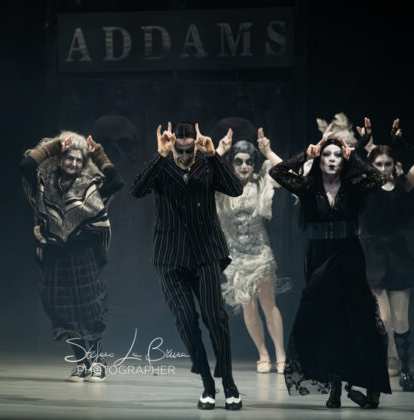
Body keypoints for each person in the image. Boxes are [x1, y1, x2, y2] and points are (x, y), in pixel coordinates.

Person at [269, 122, 391, 409]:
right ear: (320, 160)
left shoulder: (353, 186)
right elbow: (277, 172)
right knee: (327, 321)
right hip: (318, 254)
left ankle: (370, 386)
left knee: (359, 318)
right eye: (327, 154)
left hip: (348, 253)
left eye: (337, 155)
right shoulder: (308, 186)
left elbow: (380, 178)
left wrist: (354, 157)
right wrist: (306, 154)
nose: (332, 159)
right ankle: (334, 386)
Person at [131, 122, 244, 411]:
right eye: (179, 151)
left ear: (196, 145)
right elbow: (137, 190)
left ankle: (229, 383)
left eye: (189, 150)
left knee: (215, 318)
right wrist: (160, 154)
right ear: (172, 148)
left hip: (205, 253)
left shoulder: (206, 165)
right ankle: (207, 384)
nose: (184, 156)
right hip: (170, 256)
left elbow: (236, 189)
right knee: (186, 321)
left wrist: (214, 155)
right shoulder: (162, 166)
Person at [19, 132, 123, 382]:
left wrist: (98, 154)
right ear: (59, 158)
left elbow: (116, 181)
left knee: (89, 307)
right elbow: (26, 166)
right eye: (69, 158)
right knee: (61, 307)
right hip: (55, 252)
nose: (74, 163)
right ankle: (81, 362)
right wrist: (54, 146)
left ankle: (98, 362)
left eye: (79, 160)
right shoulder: (45, 181)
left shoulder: (90, 184)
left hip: (83, 253)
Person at [358, 117, 414, 391]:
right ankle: (374, 367)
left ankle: (405, 371)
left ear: (393, 165)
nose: (383, 168)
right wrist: (363, 144)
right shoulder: (363, 186)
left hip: (397, 255)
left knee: (400, 319)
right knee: (384, 318)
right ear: (371, 165)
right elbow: (349, 167)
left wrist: (400, 143)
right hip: (373, 254)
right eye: (378, 164)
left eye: (388, 164)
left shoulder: (401, 184)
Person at [215, 127, 288, 374]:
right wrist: (220, 150)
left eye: (248, 162)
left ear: (254, 164)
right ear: (231, 164)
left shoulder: (261, 181)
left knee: (268, 302)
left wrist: (268, 152)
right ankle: (263, 353)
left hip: (259, 251)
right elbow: (198, 177)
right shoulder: (221, 185)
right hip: (235, 255)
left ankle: (280, 353)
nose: (244, 166)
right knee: (248, 305)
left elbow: (287, 174)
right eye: (238, 161)